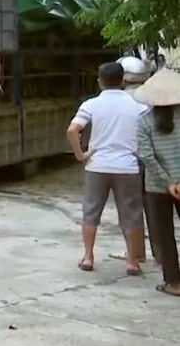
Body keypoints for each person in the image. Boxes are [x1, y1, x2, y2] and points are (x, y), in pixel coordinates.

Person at [67, 62, 147, 275]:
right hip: (128, 167)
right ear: (123, 81)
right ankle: (132, 261)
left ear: (100, 82)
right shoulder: (138, 106)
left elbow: (72, 130)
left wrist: (80, 155)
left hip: (97, 165)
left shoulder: (91, 104)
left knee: (91, 212)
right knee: (131, 215)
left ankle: (88, 257)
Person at [134, 68, 180, 296]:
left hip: (156, 186)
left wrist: (167, 182)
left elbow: (147, 156)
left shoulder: (144, 122)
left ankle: (174, 282)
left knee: (164, 235)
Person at [110, 56, 154, 264]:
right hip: (153, 159)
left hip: (132, 160)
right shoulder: (151, 98)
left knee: (131, 210)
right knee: (154, 210)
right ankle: (161, 254)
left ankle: (136, 252)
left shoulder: (122, 101)